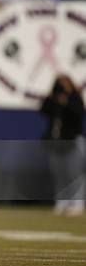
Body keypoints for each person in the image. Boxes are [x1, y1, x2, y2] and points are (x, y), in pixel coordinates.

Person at [40, 75, 85, 217]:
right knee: (60, 174)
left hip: (73, 141)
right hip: (58, 143)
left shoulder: (74, 98)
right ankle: (62, 203)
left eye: (64, 84)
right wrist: (53, 97)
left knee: (75, 174)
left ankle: (77, 204)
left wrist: (66, 102)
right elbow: (43, 109)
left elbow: (79, 114)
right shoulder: (53, 100)